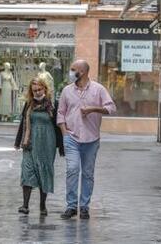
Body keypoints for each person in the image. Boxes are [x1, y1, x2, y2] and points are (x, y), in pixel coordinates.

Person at [57, 60, 116, 220]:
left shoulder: (98, 89)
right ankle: (71, 206)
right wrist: (64, 131)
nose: (70, 72)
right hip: (71, 138)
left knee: (88, 174)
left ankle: (84, 207)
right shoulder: (66, 91)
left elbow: (111, 108)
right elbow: (60, 112)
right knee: (72, 170)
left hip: (91, 139)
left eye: (73, 69)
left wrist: (93, 109)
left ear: (82, 72)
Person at [14, 78, 64, 216]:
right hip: (29, 143)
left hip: (47, 143)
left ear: (45, 89)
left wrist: (61, 146)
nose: (37, 93)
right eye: (34, 90)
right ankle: (25, 205)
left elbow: (58, 126)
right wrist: (18, 141)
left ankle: (42, 205)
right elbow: (23, 124)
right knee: (27, 170)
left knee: (44, 171)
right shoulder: (29, 104)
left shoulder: (53, 105)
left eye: (39, 90)